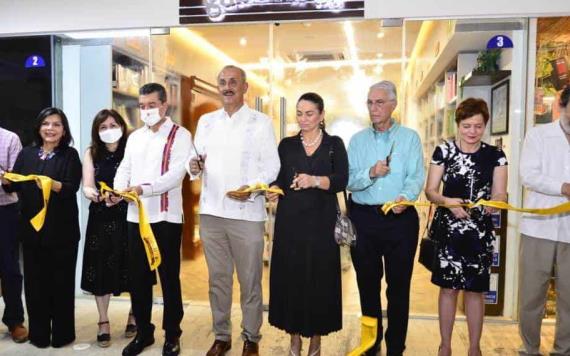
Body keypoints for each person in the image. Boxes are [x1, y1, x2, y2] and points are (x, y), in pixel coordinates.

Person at [187, 65, 280, 356]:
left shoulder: (260, 122)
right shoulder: (206, 122)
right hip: (212, 212)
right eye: (223, 82)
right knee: (218, 280)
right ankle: (222, 335)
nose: (227, 87)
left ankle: (251, 337)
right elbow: (195, 159)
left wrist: (252, 187)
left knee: (250, 279)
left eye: (233, 82)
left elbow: (272, 166)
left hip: (247, 214)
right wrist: (192, 167)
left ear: (244, 87)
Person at [114, 83, 192, 356]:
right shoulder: (135, 137)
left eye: (151, 105)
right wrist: (118, 190)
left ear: (164, 105)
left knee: (169, 277)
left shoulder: (180, 136)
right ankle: (143, 333)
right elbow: (125, 167)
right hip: (136, 217)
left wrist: (142, 189)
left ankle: (172, 335)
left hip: (166, 217)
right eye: (142, 106)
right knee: (138, 278)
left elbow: (175, 175)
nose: (146, 110)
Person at [425, 98, 508, 356]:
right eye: (467, 126)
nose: (472, 132)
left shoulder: (496, 155)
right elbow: (430, 191)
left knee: (475, 291)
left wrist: (496, 203)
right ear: (457, 124)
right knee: (448, 289)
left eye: (478, 126)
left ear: (485, 126)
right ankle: (445, 345)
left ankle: (474, 347)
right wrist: (447, 202)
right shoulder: (444, 151)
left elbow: (500, 194)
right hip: (449, 230)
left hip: (479, 231)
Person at [347, 80, 424, 356]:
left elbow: (416, 176)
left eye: (379, 102)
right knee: (367, 287)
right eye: (370, 102)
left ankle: (395, 348)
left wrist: (405, 197)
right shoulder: (357, 141)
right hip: (363, 220)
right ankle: (370, 344)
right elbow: (348, 181)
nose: (373, 107)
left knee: (399, 288)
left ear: (393, 105)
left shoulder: (410, 138)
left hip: (400, 221)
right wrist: (370, 173)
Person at [267, 92, 348, 356]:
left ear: (322, 115)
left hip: (322, 223)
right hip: (290, 223)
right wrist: (274, 189)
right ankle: (293, 339)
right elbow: (278, 178)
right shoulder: (286, 145)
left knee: (319, 280)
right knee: (292, 279)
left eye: (309, 113)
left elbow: (341, 180)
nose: (303, 119)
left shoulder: (335, 144)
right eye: (299, 113)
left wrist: (314, 180)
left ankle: (315, 339)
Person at [1, 108, 82, 348]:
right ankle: (38, 335)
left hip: (62, 231)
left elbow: (71, 188)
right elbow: (11, 188)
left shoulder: (70, 155)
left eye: (56, 124)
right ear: (39, 127)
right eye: (46, 123)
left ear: (63, 130)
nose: (50, 128)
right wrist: (7, 180)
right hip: (31, 229)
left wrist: (50, 184)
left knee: (61, 284)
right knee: (35, 285)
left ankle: (62, 335)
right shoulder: (26, 154)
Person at [518, 85, 570, 355]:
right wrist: (562, 187)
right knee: (531, 296)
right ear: (563, 104)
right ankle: (529, 349)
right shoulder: (538, 136)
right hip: (538, 229)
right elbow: (528, 174)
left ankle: (564, 350)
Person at [81, 109, 136, 348]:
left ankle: (135, 315)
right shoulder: (91, 152)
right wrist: (92, 194)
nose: (108, 130)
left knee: (133, 266)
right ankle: (103, 321)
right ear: (97, 131)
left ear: (122, 126)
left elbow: (139, 183)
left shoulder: (132, 149)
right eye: (102, 127)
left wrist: (122, 197)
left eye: (112, 124)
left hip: (129, 215)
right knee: (99, 267)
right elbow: (87, 185)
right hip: (101, 217)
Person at [0, 126, 27, 343]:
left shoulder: (10, 138)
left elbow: (16, 180)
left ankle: (14, 320)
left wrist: (3, 176)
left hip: (5, 209)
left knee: (9, 267)